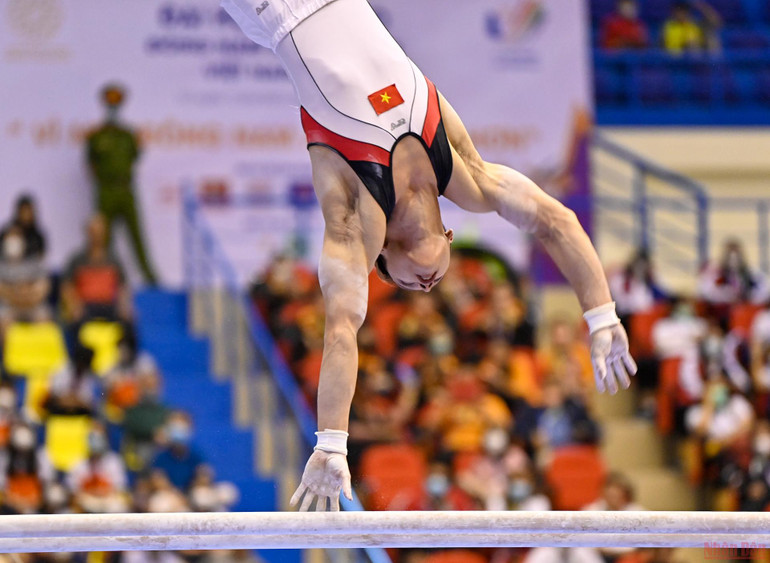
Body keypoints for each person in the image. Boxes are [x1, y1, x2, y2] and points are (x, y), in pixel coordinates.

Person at [222, 0, 637, 511]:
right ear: (449, 237)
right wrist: (601, 315)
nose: (425, 286)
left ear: (381, 259)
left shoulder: (355, 223)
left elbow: (342, 330)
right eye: (430, 282)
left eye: (407, 283)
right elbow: (557, 219)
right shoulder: (466, 177)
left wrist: (331, 442)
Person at [86, 83, 158, 285]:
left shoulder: (128, 135)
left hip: (126, 189)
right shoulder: (96, 136)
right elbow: (90, 164)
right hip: (106, 190)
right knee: (103, 239)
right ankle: (105, 281)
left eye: (116, 104)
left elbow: (134, 158)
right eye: (110, 104)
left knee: (137, 236)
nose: (113, 109)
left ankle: (150, 278)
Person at [0, 194, 46, 259]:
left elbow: (40, 255)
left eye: (29, 211)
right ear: (18, 212)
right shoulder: (8, 231)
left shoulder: (37, 237)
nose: (26, 215)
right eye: (24, 211)